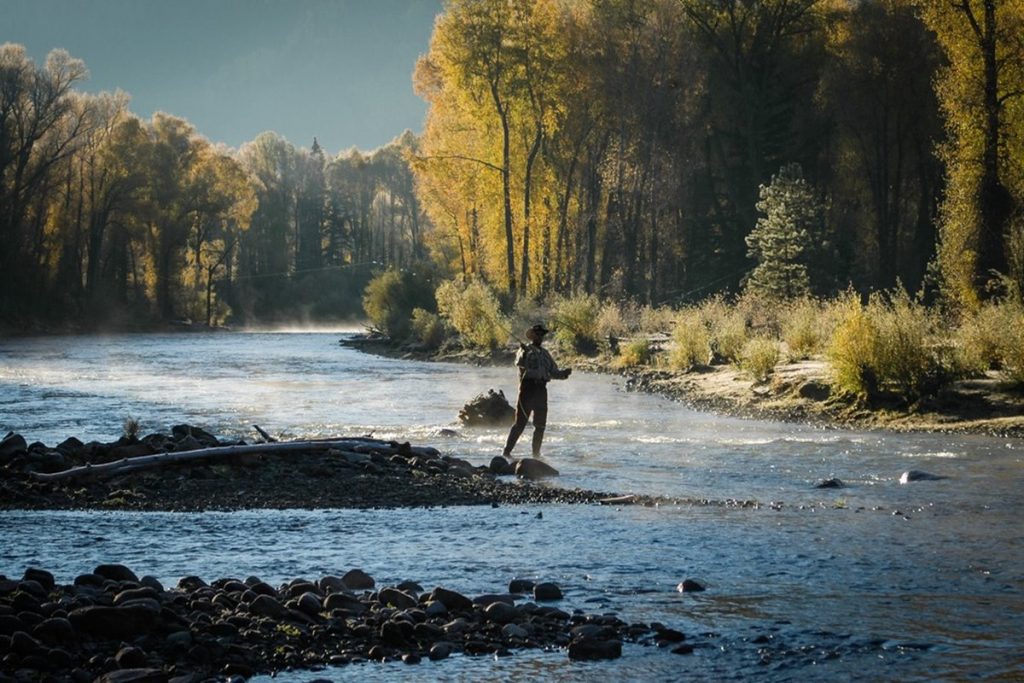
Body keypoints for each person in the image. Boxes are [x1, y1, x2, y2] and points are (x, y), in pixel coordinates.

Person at [502, 323, 572, 459]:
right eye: (537, 334)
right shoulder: (524, 350)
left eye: (541, 335)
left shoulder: (546, 354)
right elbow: (520, 363)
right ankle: (506, 452)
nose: (540, 337)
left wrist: (564, 374)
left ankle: (536, 455)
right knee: (520, 424)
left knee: (540, 426)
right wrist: (524, 352)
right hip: (527, 389)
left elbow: (554, 372)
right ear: (532, 336)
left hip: (541, 391)